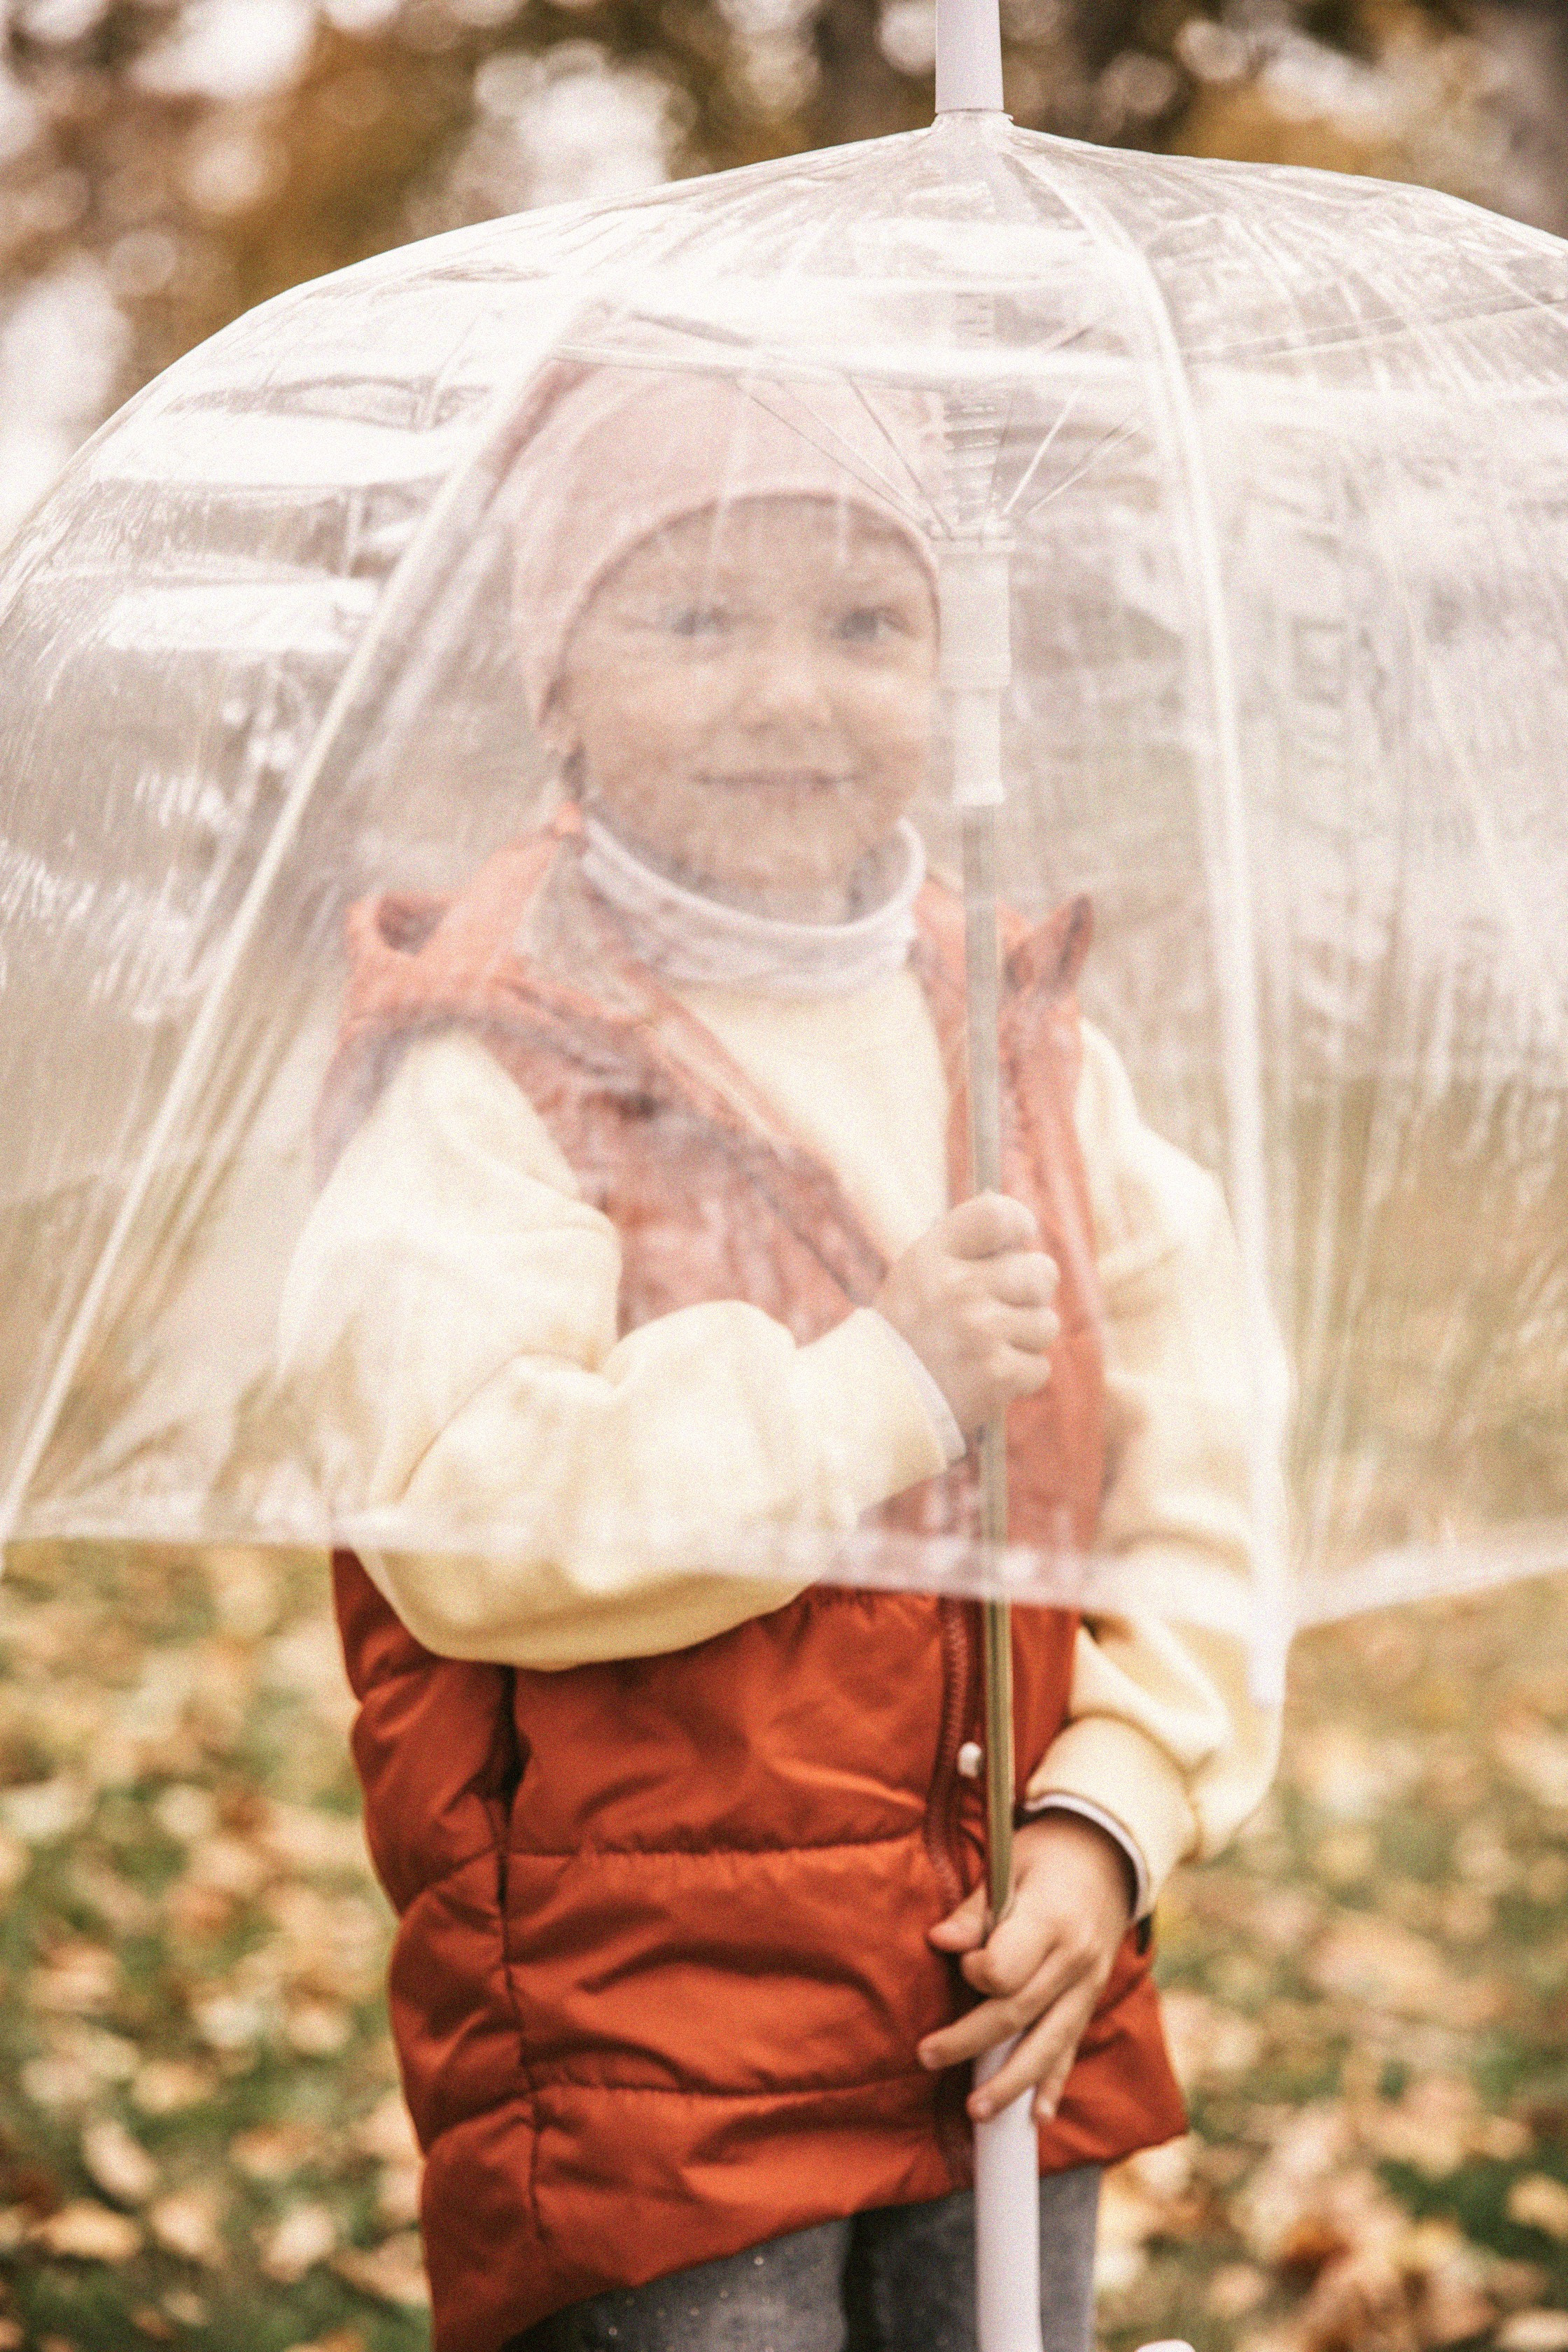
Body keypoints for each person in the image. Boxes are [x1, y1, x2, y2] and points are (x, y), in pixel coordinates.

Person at [276, 363, 1280, 2352]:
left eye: (866, 623)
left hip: (1008, 1977)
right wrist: (867, 1397)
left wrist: (1111, 1813)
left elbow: (1200, 1471)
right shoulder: (501, 1066)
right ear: (557, 685)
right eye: (694, 616)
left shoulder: (1024, 1044)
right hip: (656, 2051)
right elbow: (458, 1505)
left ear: (952, 680)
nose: (787, 693)